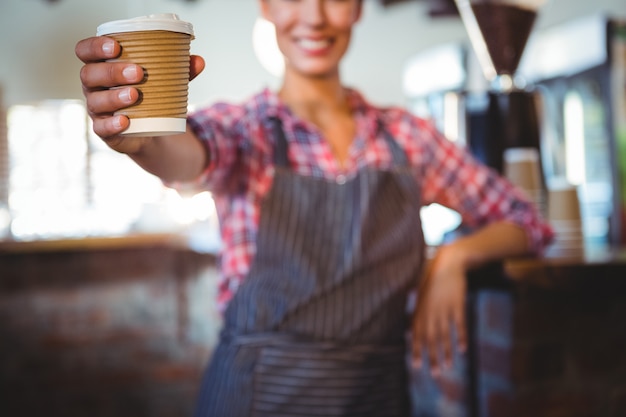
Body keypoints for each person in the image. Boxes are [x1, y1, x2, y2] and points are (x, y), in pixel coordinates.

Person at [75, 0, 553, 415]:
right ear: (266, 6)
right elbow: (180, 154)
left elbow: (524, 219)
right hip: (255, 398)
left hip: (378, 399)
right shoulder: (245, 130)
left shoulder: (410, 138)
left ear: (359, 8)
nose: (315, 17)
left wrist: (455, 258)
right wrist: (140, 139)